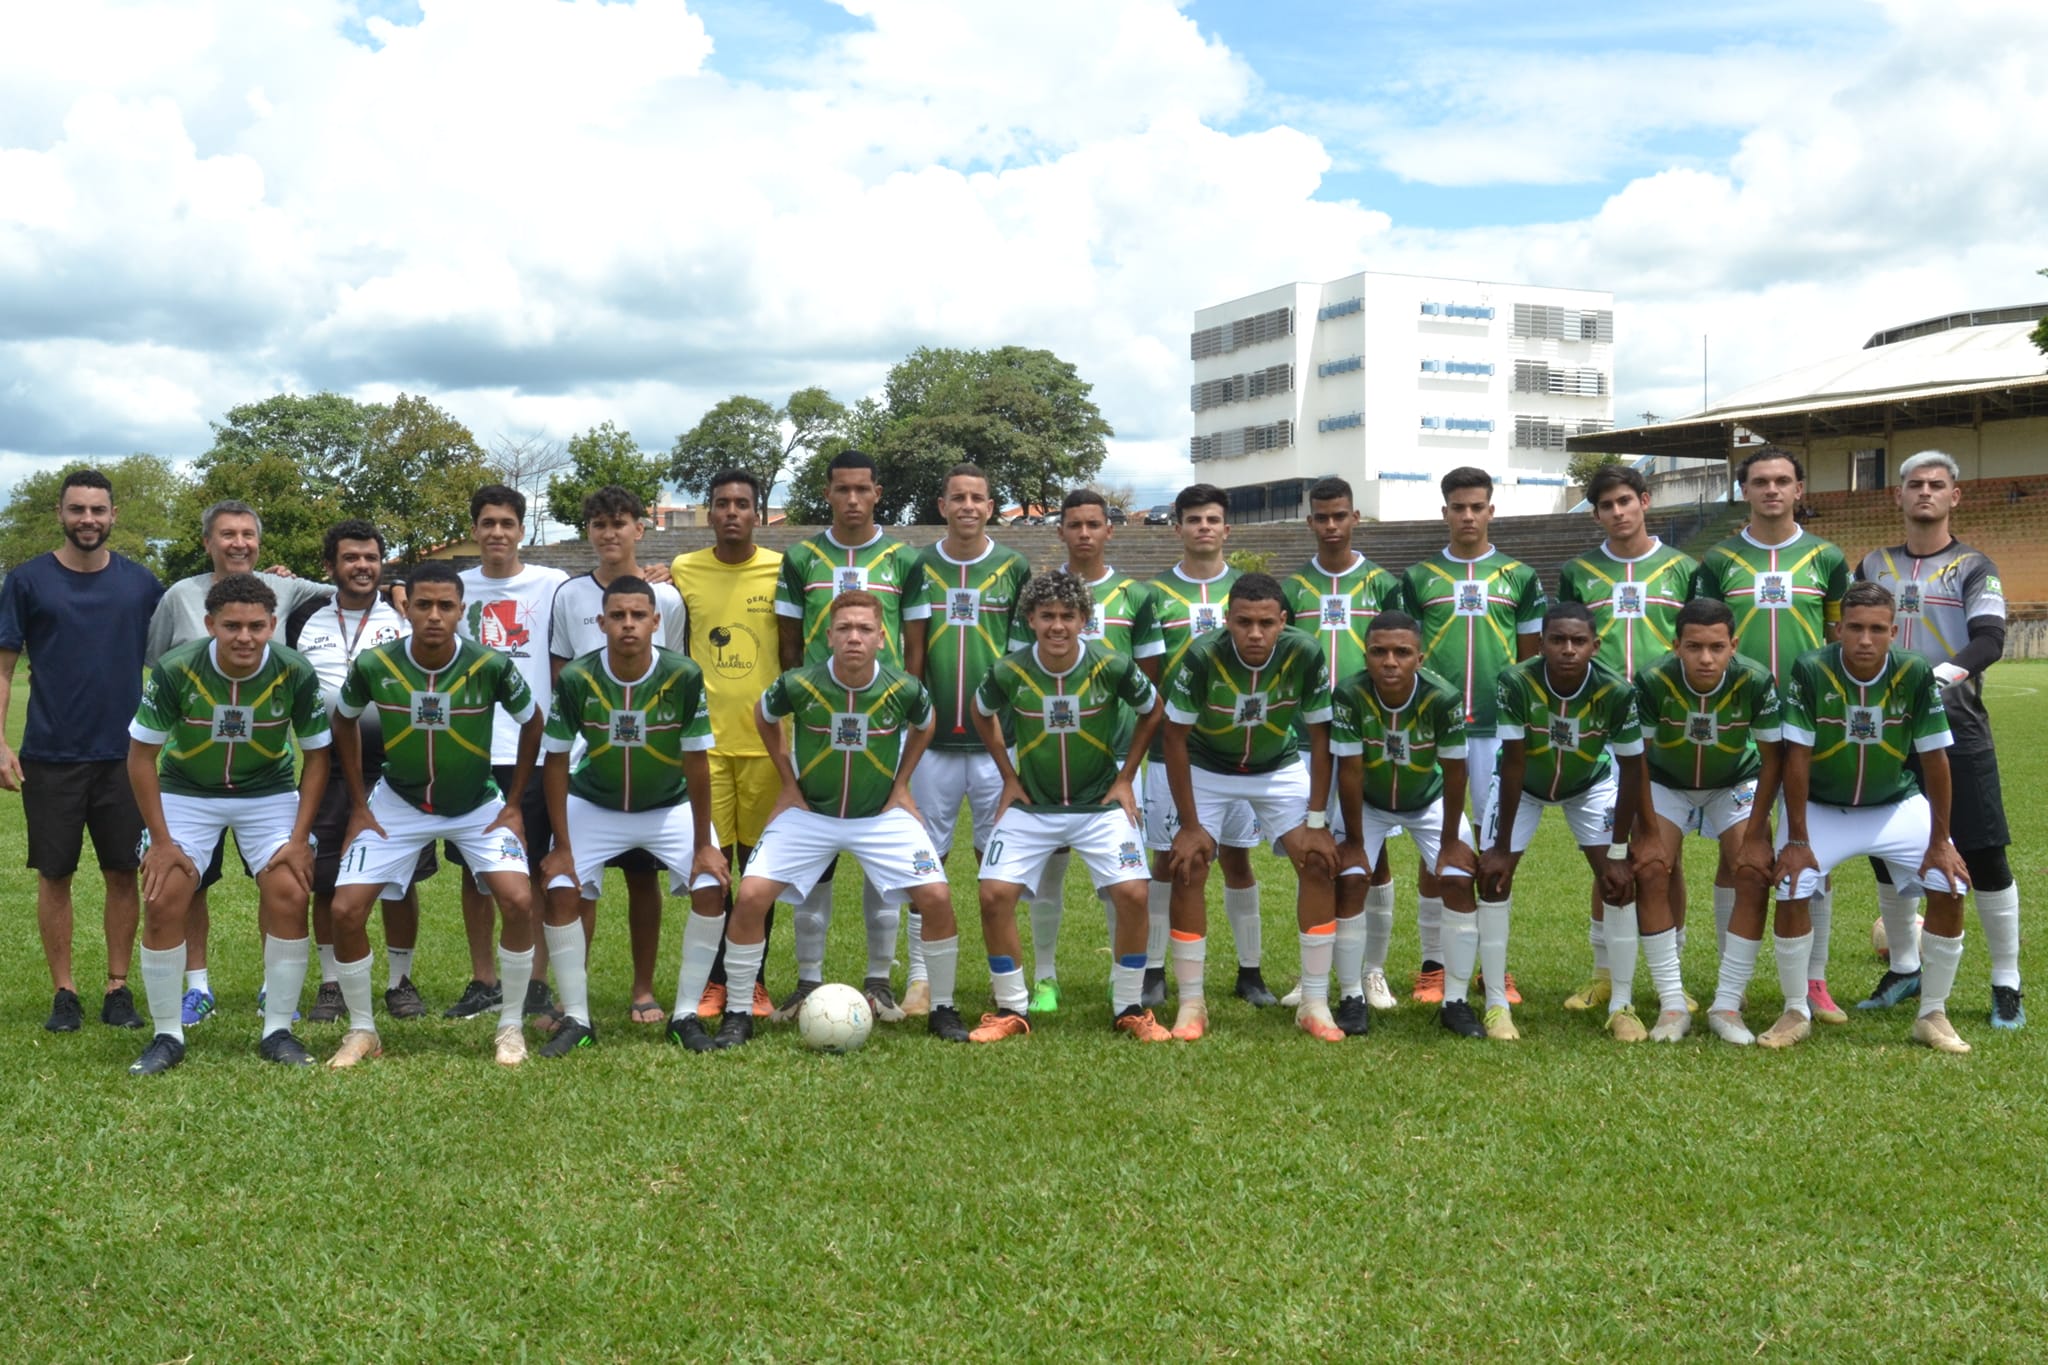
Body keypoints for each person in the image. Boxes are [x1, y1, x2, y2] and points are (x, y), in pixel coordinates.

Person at [700, 591, 965, 1049]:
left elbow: (927, 723)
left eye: (865, 629)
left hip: (879, 816)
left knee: (937, 895)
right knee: (750, 894)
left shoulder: (904, 688)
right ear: (829, 637)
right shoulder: (800, 683)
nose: (854, 638)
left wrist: (902, 785)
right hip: (811, 813)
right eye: (844, 629)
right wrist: (788, 780)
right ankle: (739, 1014)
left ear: (882, 638)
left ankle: (943, 1009)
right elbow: (764, 716)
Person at [324, 561, 546, 1067]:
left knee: (517, 901)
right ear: (406, 607)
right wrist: (359, 804)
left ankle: (510, 1027)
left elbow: (532, 723)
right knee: (344, 910)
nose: (434, 615)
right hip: (397, 804)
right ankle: (362, 1032)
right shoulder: (376, 664)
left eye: (446, 606)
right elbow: (343, 720)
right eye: (423, 604)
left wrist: (512, 805)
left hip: (476, 806)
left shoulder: (489, 664)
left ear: (460, 610)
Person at [124, 574, 331, 1074]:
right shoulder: (176, 669)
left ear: (273, 625)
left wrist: (300, 839)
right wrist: (164, 842)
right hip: (186, 792)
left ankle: (277, 1028)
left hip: (267, 792)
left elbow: (319, 757)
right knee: (164, 892)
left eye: (257, 626)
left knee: (290, 889)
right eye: (232, 626)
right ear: (210, 624)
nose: (245, 637)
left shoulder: (294, 670)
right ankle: (166, 1035)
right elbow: (140, 758)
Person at [1854, 450, 2023, 1029]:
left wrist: (1925, 684)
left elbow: (1990, 641)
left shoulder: (1975, 566)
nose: (1925, 492)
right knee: (1886, 851)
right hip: (1884, 734)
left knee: (1983, 854)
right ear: (1896, 497)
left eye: (1937, 484)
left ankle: (2007, 982)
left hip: (1958, 728)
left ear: (1956, 497)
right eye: (1915, 484)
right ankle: (1906, 966)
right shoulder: (1872, 564)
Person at [1766, 581, 1973, 1052]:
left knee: (1951, 883)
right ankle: (1795, 1009)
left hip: (1894, 805)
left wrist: (1941, 841)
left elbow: (1936, 760)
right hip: (1822, 808)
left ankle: (1932, 1013)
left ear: (1894, 632)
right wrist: (1797, 840)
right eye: (1854, 628)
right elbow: (1795, 756)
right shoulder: (1811, 668)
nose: (1865, 639)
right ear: (1837, 628)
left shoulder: (1914, 672)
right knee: (1792, 886)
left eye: (1877, 629)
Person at [967, 570, 1172, 1043]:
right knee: (994, 894)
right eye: (1046, 617)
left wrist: (1125, 778)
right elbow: (981, 711)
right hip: (1032, 806)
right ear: (1031, 620)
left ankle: (1129, 1007)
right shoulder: (1008, 670)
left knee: (1134, 895)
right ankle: (1011, 1008)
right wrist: (1008, 776)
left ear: (1084, 619)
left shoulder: (1112, 665)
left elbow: (1153, 708)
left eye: (1067, 616)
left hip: (1099, 805)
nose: (1057, 626)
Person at [0, 469, 163, 1032]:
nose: (88, 520)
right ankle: (64, 992)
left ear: (114, 515)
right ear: (60, 514)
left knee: (124, 873)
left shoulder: (142, 585)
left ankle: (118, 988)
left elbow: (185, 644)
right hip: (50, 754)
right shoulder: (26, 581)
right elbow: (3, 670)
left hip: (126, 759)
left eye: (98, 510)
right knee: (56, 875)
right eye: (77, 510)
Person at [540, 576, 728, 1056]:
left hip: (669, 805)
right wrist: (561, 847)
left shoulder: (683, 674)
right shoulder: (577, 678)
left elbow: (696, 761)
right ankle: (577, 1018)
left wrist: (706, 845)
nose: (628, 625)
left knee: (711, 886)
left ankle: (685, 1014)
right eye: (618, 616)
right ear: (601, 622)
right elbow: (557, 761)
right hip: (594, 802)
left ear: (655, 621)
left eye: (638, 616)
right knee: (561, 889)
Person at [771, 449, 929, 1022]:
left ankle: (879, 981)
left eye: (863, 489)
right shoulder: (801, 556)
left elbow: (913, 645)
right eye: (842, 489)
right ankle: (807, 980)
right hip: (819, 724)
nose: (853, 499)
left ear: (878, 492)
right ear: (828, 492)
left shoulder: (905, 560)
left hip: (882, 726)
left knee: (883, 861)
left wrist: (901, 707)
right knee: (817, 858)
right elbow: (789, 646)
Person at [1695, 448, 1850, 1022]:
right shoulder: (1718, 560)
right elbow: (1705, 636)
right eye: (1760, 481)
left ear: (1800, 488)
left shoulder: (1827, 557)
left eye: (1782, 481)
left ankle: (1814, 982)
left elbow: (1839, 633)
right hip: (1743, 722)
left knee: (1816, 854)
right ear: (1745, 490)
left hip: (1812, 722)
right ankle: (1726, 975)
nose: (1772, 490)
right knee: (1736, 853)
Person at [1161, 574, 1342, 1043]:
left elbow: (1322, 738)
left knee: (1319, 861)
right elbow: (1174, 737)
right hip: (1207, 764)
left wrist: (1318, 821)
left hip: (1276, 766)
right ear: (1228, 620)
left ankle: (1315, 1002)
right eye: (1244, 622)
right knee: (1189, 864)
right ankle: (1191, 1004)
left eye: (1266, 622)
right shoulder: (1202, 655)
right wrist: (1190, 825)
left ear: (1284, 621)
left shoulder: (1305, 652)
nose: (1255, 633)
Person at [1556, 463, 1702, 1012]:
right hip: (1604, 729)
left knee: (1667, 855)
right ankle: (1603, 972)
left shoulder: (1684, 569)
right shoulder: (1578, 572)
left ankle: (1674, 973)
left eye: (1625, 501)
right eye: (1606, 506)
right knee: (1611, 852)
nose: (1618, 513)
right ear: (1595, 513)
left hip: (1667, 727)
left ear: (1645, 501)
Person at [1399, 467, 1545, 1006]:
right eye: (1458, 507)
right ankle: (1434, 964)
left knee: (1494, 843)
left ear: (1491, 511)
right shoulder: (1417, 578)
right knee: (1436, 843)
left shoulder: (1519, 577)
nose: (1467, 516)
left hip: (1496, 730)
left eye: (1477, 506)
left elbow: (1532, 660)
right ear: (1445, 513)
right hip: (1434, 731)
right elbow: (1403, 653)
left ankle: (1493, 965)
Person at [549, 485, 688, 1026]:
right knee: (579, 881)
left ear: (640, 529)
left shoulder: (667, 598)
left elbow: (674, 674)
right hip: (588, 753)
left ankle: (643, 990)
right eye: (599, 524)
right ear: (589, 532)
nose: (609, 533)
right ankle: (570, 997)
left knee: (642, 876)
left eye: (620, 523)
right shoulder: (569, 595)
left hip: (649, 750)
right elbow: (561, 671)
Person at [1475, 602, 1643, 1042]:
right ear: (1541, 643)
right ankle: (1496, 1004)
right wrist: (1500, 847)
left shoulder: (1617, 690)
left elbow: (1633, 769)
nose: (1568, 649)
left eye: (1578, 641)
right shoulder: (1516, 681)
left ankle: (1621, 1003)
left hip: (1589, 783)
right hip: (1523, 786)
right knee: (1494, 879)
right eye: (1557, 640)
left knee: (1618, 882)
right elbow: (1512, 763)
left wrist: (1621, 851)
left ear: (1595, 645)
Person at [287, 520, 432, 1023]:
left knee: (398, 879)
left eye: (371, 558)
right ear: (331, 567)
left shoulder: (404, 617)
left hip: (395, 767)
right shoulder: (305, 619)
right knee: (325, 878)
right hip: (324, 765)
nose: (362, 566)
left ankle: (399, 980)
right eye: (350, 558)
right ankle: (331, 983)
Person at [904, 462, 1033, 1013]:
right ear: (941, 505)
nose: (967, 507)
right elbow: (911, 650)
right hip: (933, 746)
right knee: (923, 861)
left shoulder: (1013, 565)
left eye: (977, 498)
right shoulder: (918, 565)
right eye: (957, 497)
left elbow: (1025, 659)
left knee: (995, 863)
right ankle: (919, 979)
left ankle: (997, 975)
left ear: (991, 506)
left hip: (993, 748)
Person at [1142, 484, 1276, 1011]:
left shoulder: (1251, 594)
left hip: (1237, 749)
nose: (1203, 527)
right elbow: (1149, 679)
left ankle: (1250, 971)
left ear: (1227, 529)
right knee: (1167, 860)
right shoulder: (1151, 595)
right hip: (1172, 753)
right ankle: (1154, 971)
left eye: (1212, 519)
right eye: (1193, 519)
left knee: (1238, 860)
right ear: (1177, 527)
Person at [1628, 598, 1782, 1045]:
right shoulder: (1653, 680)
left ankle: (1728, 1004)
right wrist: (1652, 834)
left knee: (1752, 871)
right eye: (1694, 647)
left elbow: (1773, 759)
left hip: (1734, 780)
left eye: (1717, 647)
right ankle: (1672, 1003)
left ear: (1733, 645)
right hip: (1665, 781)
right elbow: (1636, 758)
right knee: (1653, 869)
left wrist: (1755, 835)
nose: (1706, 658)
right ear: (1676, 645)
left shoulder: (1755, 679)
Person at [445, 485, 568, 1027]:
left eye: (507, 523)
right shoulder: (455, 588)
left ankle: (536, 982)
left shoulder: (552, 584)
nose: (497, 532)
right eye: (487, 522)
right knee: (476, 873)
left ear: (523, 530)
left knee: (533, 871)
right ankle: (483, 980)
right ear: (474, 529)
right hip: (467, 748)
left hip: (530, 748)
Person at [1328, 611, 1483, 1039]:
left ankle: (1455, 1001)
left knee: (1456, 878)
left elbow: (1455, 772)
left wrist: (1451, 840)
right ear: (1366, 654)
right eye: (1379, 652)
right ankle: (1350, 997)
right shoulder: (1349, 693)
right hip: (1371, 804)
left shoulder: (1443, 697)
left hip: (1428, 802)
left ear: (1420, 656)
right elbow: (1351, 770)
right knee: (1353, 877)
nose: (1390, 662)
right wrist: (1356, 841)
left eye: (1402, 652)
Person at [1282, 475, 1402, 1012]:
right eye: (1321, 517)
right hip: (1307, 739)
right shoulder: (1292, 587)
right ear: (1309, 523)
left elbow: (1400, 654)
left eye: (1340, 516)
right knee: (1313, 856)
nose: (1331, 526)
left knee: (1372, 855)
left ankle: (1373, 972)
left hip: (1369, 736)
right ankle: (1315, 968)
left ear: (1356, 518)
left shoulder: (1382, 584)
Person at [671, 468, 783, 1021]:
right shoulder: (683, 570)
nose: (732, 512)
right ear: (709, 512)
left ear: (758, 513)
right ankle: (714, 982)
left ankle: (755, 983)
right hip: (705, 748)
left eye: (743, 503)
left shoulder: (782, 570)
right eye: (722, 503)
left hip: (767, 747)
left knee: (758, 876)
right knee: (713, 874)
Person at [1046, 487, 1165, 1002]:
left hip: (1117, 759)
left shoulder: (1135, 597)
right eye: (1075, 525)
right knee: (1049, 868)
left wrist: (1128, 772)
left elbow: (1149, 685)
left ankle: (1129, 984)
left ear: (1109, 530)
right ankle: (1045, 978)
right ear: (1062, 532)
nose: (1085, 534)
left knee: (1123, 877)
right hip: (1050, 756)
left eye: (1094, 524)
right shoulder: (1044, 595)